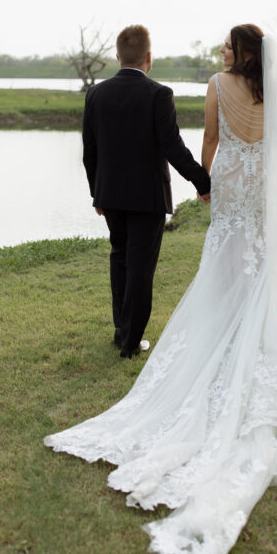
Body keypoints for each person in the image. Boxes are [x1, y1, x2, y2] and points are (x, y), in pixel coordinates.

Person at [45, 24, 277, 554]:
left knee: (172, 259)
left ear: (238, 52)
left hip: (210, 184)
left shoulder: (202, 85)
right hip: (256, 183)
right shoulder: (265, 91)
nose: (220, 52)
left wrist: (207, 178)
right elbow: (274, 147)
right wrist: (207, 180)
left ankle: (136, 333)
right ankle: (191, 332)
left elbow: (206, 140)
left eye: (225, 46)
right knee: (258, 260)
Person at [81, 24, 211, 358]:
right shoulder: (159, 94)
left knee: (120, 258)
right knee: (140, 266)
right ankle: (130, 342)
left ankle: (122, 331)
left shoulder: (96, 93)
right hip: (147, 197)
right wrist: (202, 180)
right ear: (149, 58)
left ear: (117, 56)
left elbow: (89, 151)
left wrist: (97, 193)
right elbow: (172, 146)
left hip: (110, 195)